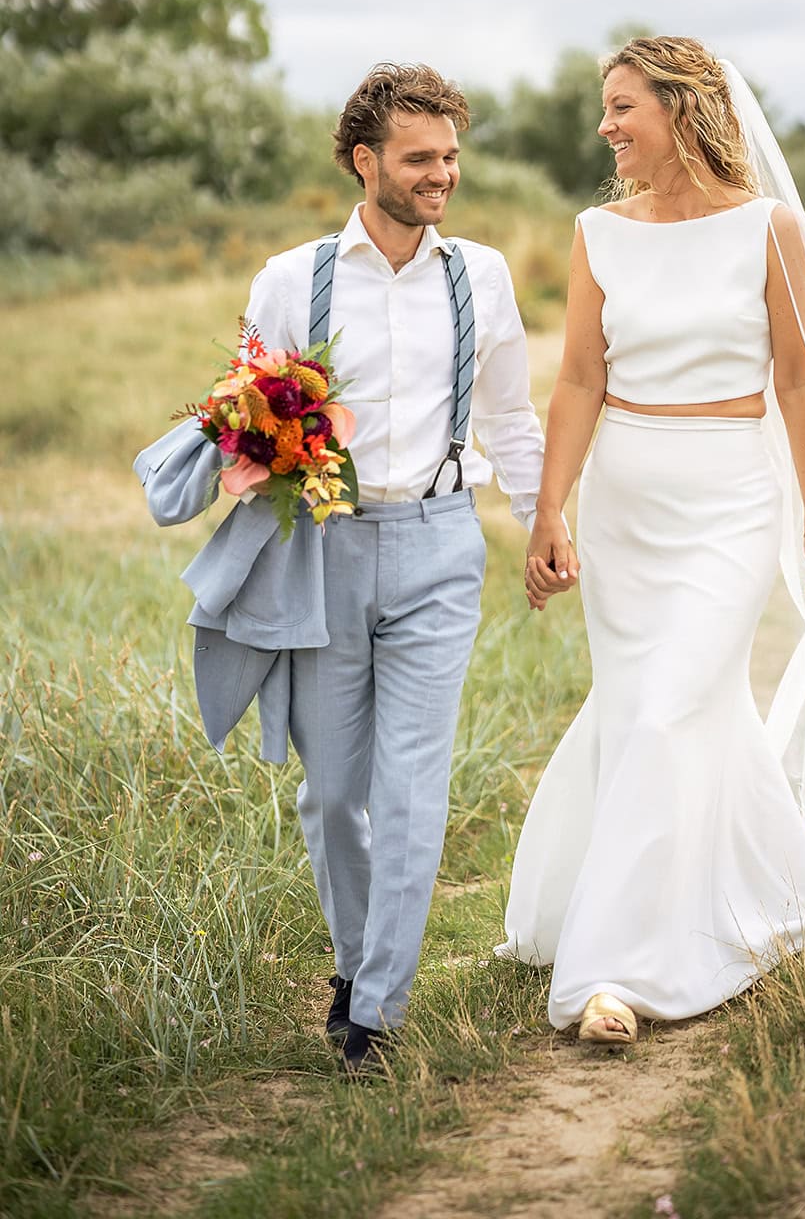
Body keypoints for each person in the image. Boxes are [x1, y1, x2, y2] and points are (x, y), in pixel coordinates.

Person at [136, 63, 569, 1076]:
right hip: (319, 551)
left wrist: (542, 517)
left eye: (451, 156)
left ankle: (374, 1006)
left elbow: (508, 414)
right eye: (421, 158)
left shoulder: (483, 275)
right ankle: (353, 959)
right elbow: (245, 408)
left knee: (412, 785)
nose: (442, 175)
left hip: (438, 549)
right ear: (364, 160)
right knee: (332, 793)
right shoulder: (291, 280)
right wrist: (254, 444)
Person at [498, 37, 805, 1044]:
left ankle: (611, 970)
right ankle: (716, 883)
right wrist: (550, 510)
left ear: (682, 111)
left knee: (670, 704)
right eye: (603, 106)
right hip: (625, 504)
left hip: (729, 498)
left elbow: (801, 382)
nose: (604, 127)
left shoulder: (768, 229)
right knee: (652, 707)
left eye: (621, 107)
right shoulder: (598, 231)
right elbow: (579, 381)